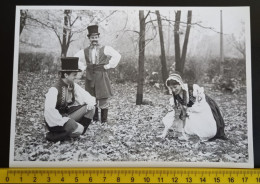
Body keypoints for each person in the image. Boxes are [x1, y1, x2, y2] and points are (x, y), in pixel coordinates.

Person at [74, 25, 121, 124]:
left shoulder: (105, 48)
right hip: (90, 76)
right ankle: (94, 119)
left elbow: (117, 55)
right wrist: (84, 67)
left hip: (101, 75)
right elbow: (75, 58)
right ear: (89, 38)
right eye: (92, 38)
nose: (94, 39)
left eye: (96, 37)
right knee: (91, 97)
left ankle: (104, 120)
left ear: (98, 38)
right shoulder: (85, 51)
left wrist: (108, 66)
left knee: (103, 96)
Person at [44, 57, 96, 142]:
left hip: (67, 115)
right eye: (74, 75)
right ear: (66, 75)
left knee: (91, 108)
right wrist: (63, 121)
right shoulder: (54, 89)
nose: (76, 77)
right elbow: (49, 111)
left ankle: (77, 132)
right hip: (55, 121)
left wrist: (90, 104)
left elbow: (87, 97)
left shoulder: (72, 85)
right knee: (75, 127)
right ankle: (53, 136)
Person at [165, 72, 227, 141]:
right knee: (175, 119)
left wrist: (188, 111)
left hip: (202, 107)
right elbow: (179, 111)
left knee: (207, 130)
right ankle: (188, 132)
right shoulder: (175, 96)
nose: (173, 90)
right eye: (171, 88)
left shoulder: (192, 89)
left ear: (180, 84)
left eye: (175, 87)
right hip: (189, 111)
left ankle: (199, 133)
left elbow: (201, 105)